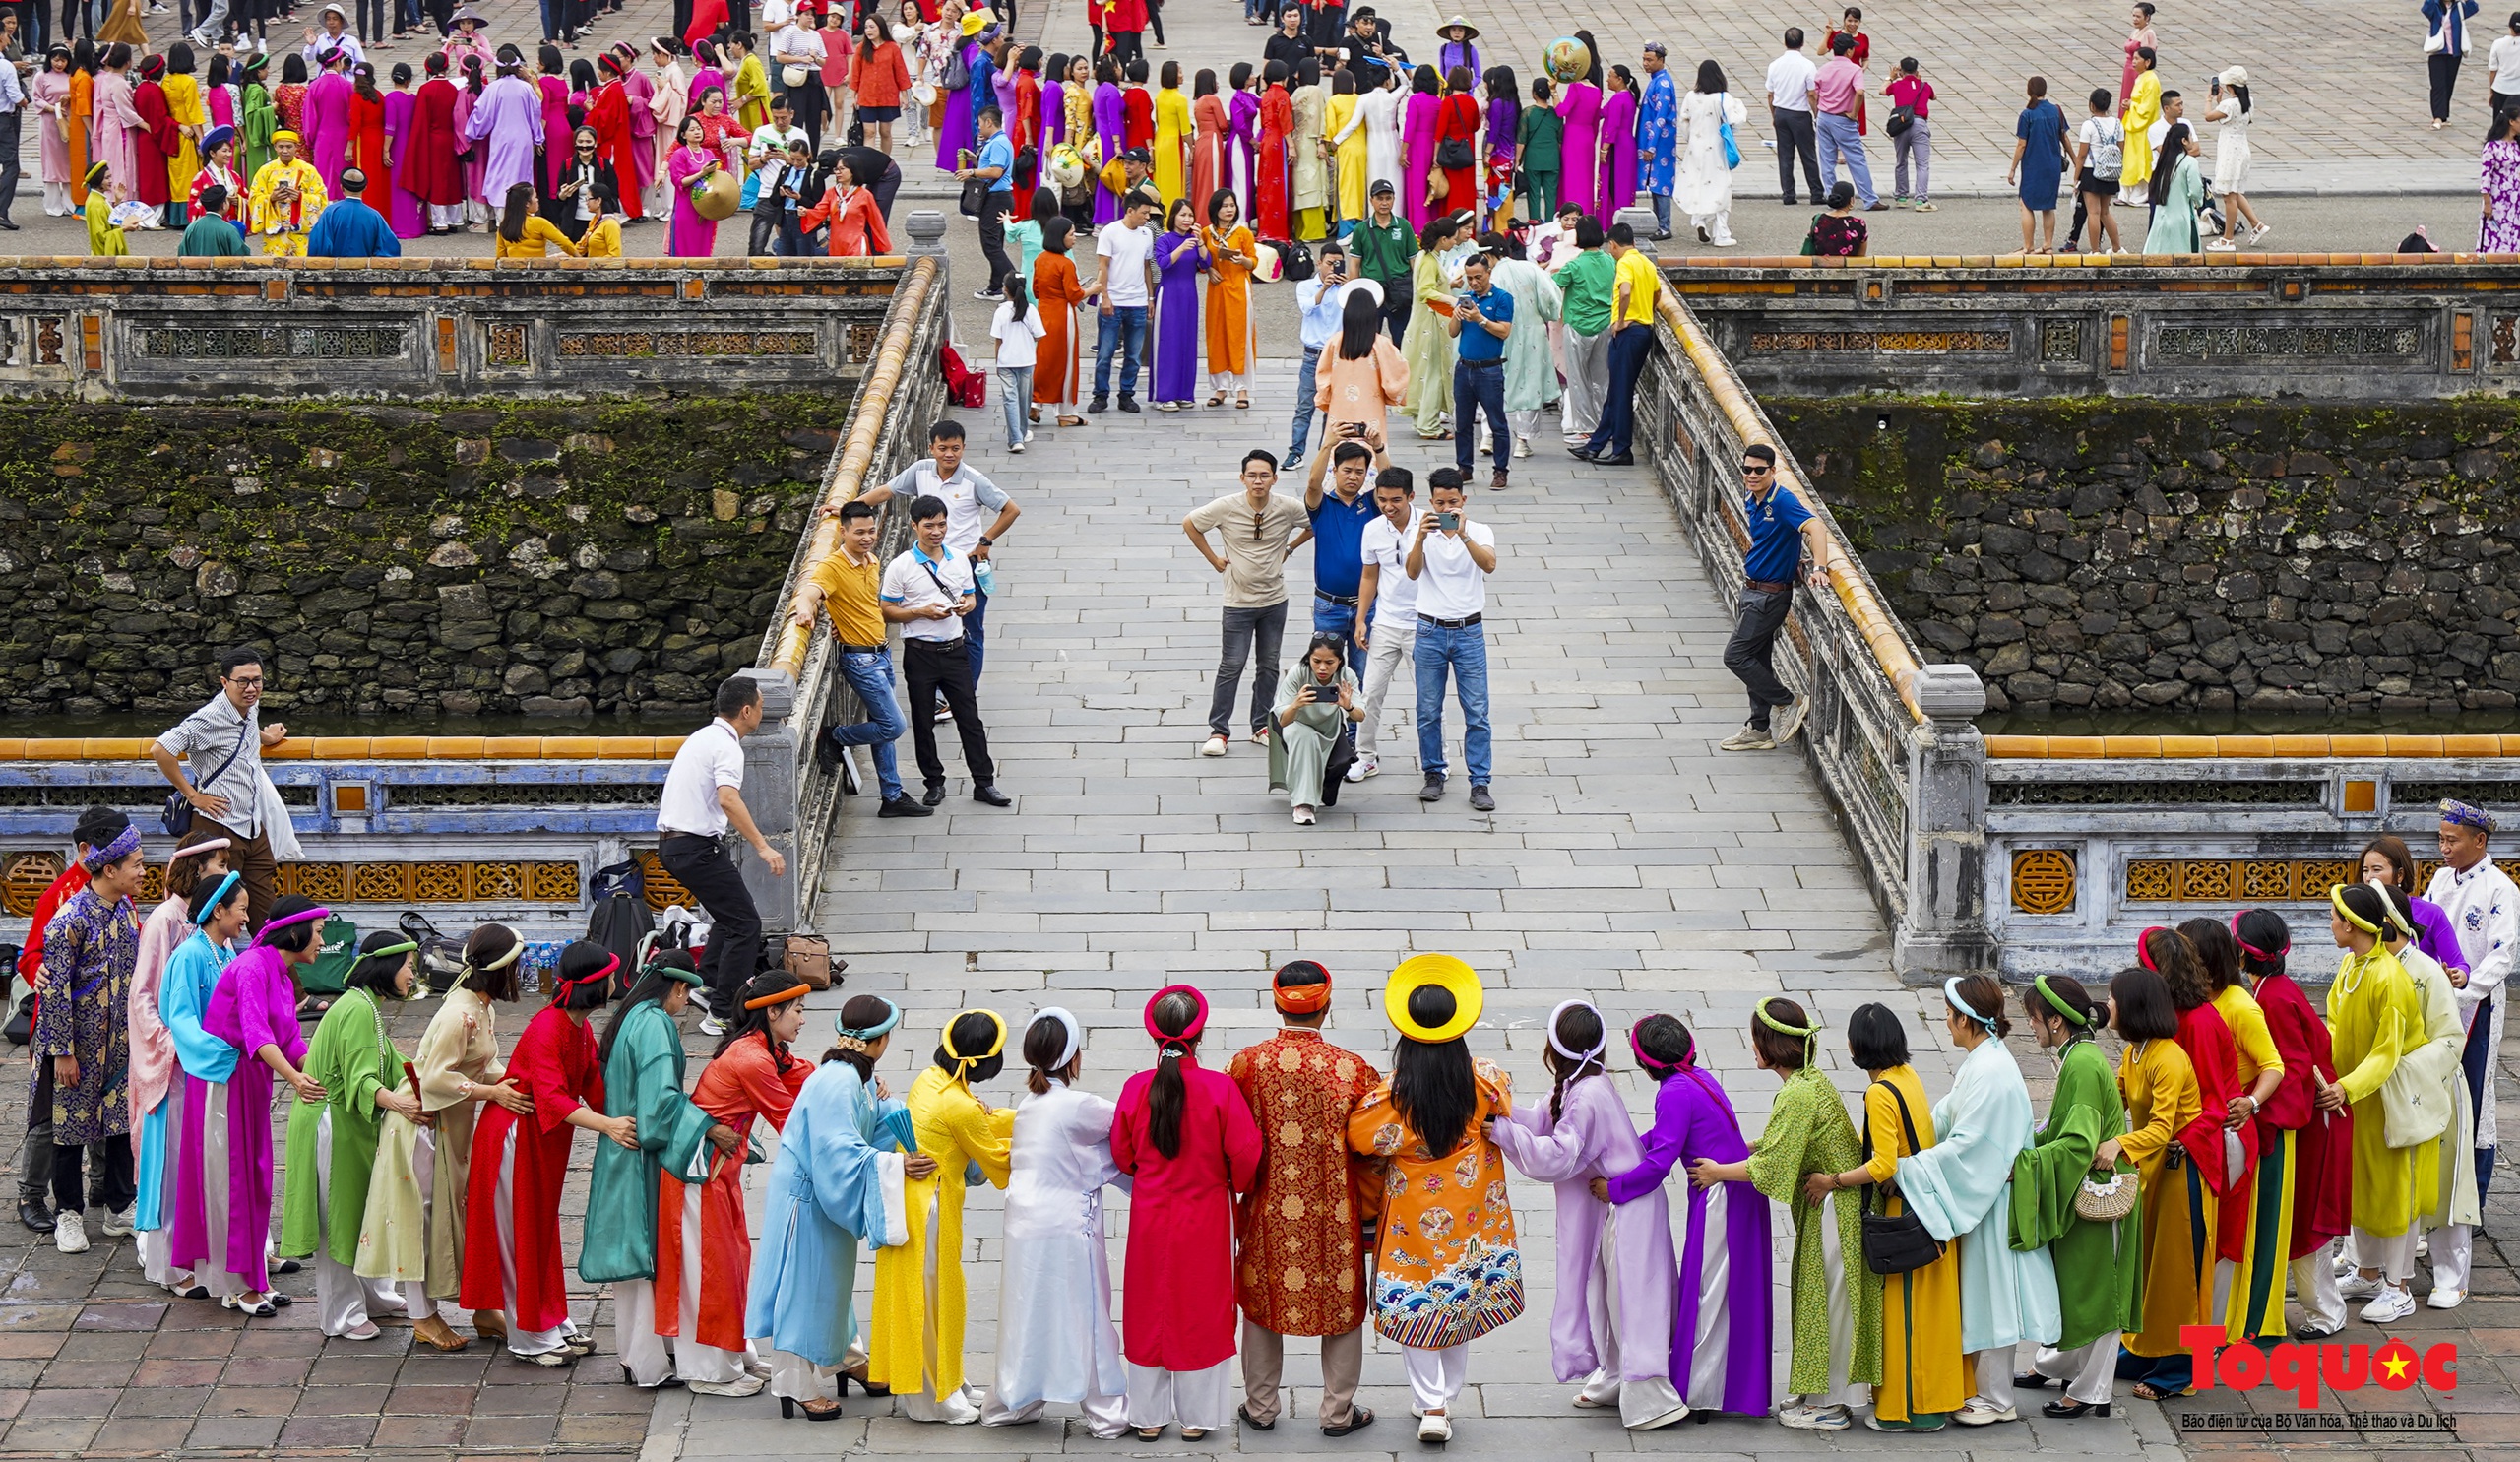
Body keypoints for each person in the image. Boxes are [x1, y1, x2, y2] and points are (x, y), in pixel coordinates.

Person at [1347, 956, 1521, 1444]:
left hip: (1413, 1221)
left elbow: (1361, 1138)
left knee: (1417, 1303)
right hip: (1470, 1217)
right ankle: (1447, 1397)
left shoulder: (1395, 1096)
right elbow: (1505, 1100)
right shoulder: (1485, 1078)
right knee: (1459, 1298)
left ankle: (1432, 1404)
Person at [1490, 1000, 1688, 1430]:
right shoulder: (1580, 1084)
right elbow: (1539, 1119)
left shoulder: (1586, 1096)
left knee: (1634, 1302)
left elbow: (1559, 1155)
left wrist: (1503, 1133)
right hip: (1617, 1206)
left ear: (1553, 1047)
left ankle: (1652, 1397)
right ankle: (1616, 1376)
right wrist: (1499, 1106)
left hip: (1630, 1206)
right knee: (1609, 1298)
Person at [1688, 996, 1872, 1430]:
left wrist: (1717, 1172)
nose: (1750, 1047)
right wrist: (1748, 1148)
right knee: (1816, 1300)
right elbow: (1778, 1145)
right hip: (1827, 1205)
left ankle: (1831, 1403)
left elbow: (1770, 1167)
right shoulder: (1805, 1083)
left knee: (1829, 1303)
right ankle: (1816, 1390)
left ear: (1772, 1046)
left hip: (1836, 1210)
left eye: (1755, 1039)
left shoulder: (1799, 1094)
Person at [1881, 977, 2058, 1426]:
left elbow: (1970, 1146)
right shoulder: (1983, 1061)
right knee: (1984, 1295)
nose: (1945, 1022)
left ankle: (1998, 1399)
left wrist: (1907, 1170)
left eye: (1947, 1014)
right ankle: (1988, 1392)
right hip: (1985, 1197)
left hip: (1992, 1200)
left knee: (1992, 1296)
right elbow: (1944, 1118)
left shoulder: (1991, 1071)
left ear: (1966, 1019)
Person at [581, 952, 753, 1393]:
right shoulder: (656, 1023)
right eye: (686, 995)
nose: (685, 1003)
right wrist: (709, 1127)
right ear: (677, 989)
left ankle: (640, 1356)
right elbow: (660, 1104)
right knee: (644, 1259)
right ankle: (646, 1364)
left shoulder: (630, 1016)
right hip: (640, 1151)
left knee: (635, 1263)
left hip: (621, 1147)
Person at [748, 995, 927, 1420]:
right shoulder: (838, 1081)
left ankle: (845, 1357)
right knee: (802, 1287)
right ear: (879, 1040)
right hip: (807, 1197)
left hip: (821, 1194)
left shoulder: (857, 1075)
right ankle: (794, 1383)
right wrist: (895, 1162)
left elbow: (876, 1119)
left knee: (831, 1283)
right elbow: (838, 1150)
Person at [1219, 964, 1378, 1434]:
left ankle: (1261, 1408)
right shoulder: (1352, 1068)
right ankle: (1337, 1413)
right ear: (1326, 1008)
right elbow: (1373, 1146)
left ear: (1275, 1005)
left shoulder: (1248, 1064)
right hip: (1336, 1212)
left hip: (1269, 1208)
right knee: (1342, 1306)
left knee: (1263, 1302)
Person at [1587, 1014, 1772, 1418]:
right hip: (1737, 1193)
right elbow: (1667, 1134)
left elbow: (1659, 1163)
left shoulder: (1672, 1092)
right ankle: (1718, 1385)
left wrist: (1612, 1189)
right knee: (1722, 1292)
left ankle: (1700, 1392)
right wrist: (1628, 1147)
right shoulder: (1696, 1078)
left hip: (1719, 1195)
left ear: (1646, 1065)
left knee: (1708, 1292)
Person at [357, 923, 531, 1353]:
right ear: (501, 970)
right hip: (422, 1125)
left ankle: (483, 1306)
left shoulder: (481, 1007)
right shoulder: (460, 1013)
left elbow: (476, 1068)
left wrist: (512, 1081)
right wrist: (495, 1092)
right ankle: (422, 1316)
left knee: (462, 1219)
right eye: (517, 964)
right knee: (423, 1220)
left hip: (450, 1124)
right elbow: (436, 1076)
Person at [460, 940, 627, 1366]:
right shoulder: (548, 1027)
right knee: (521, 1233)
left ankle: (550, 1318)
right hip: (513, 1137)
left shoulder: (579, 1026)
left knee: (541, 1231)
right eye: (610, 974)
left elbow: (591, 1083)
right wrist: (608, 1127)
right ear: (596, 983)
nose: (614, 981)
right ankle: (528, 1335)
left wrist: (627, 1118)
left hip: (543, 1139)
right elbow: (553, 1099)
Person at [1802, 1004, 1962, 1430]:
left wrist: (1831, 1180)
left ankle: (1903, 1412)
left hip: (1902, 1214)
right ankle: (1931, 1403)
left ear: (1859, 1047)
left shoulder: (1878, 1092)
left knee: (1904, 1317)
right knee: (1927, 1319)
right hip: (1929, 1205)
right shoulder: (1906, 1078)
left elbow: (1883, 1165)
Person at [982, 1007, 1129, 1435]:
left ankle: (1015, 1399)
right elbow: (1127, 1128)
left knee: (1030, 1314)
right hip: (1067, 1225)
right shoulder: (1080, 1105)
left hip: (1025, 1224)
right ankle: (1107, 1413)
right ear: (1075, 1057)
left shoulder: (1030, 1104)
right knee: (1087, 1315)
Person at [277, 932, 427, 1340]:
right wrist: (401, 1105)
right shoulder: (358, 1010)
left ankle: (375, 1294)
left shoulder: (368, 1007)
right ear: (387, 967)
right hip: (331, 1123)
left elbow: (394, 1063)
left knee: (363, 1211)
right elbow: (361, 1079)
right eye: (409, 966)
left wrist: (435, 1075)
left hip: (351, 1125)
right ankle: (340, 1314)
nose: (413, 975)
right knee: (338, 1219)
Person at [870, 1010, 1015, 1424]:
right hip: (928, 1209)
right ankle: (931, 1399)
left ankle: (948, 1379)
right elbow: (996, 1160)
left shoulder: (932, 1079)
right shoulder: (959, 1105)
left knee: (939, 1295)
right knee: (931, 1299)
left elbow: (979, 1119)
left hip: (917, 1201)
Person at [200, 896, 331, 1314]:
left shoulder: (282, 973)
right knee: (237, 1180)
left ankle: (255, 1274)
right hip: (228, 1080)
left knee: (258, 1178)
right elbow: (258, 1036)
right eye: (320, 932)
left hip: (253, 1079)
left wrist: (321, 1068)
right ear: (297, 931)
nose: (322, 941)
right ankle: (238, 1286)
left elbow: (290, 1039)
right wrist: (294, 1079)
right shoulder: (253, 966)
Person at [2226, 912, 2352, 1337]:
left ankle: (2325, 1313)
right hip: (2299, 1117)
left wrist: (2263, 1115)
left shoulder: (2272, 999)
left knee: (2301, 1219)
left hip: (2301, 1123)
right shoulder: (2273, 989)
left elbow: (2294, 1069)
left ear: (2243, 953)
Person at [2098, 964, 2211, 1395]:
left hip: (2183, 1176)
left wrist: (2118, 1145)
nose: (2107, 1005)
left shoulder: (2169, 1056)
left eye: (2113, 998)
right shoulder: (2136, 1052)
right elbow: (2117, 1096)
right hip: (2154, 1172)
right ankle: (2145, 1349)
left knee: (2178, 1275)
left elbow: (2163, 1128)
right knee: (2146, 1268)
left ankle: (2181, 1370)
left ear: (2133, 1007)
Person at [32, 823, 144, 1255]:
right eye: (135, 865)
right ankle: (69, 1215)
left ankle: (118, 1208)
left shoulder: (126, 911)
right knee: (69, 1131)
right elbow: (55, 989)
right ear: (110, 868)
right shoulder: (69, 920)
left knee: (118, 1126)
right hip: (76, 1047)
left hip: (119, 1044)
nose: (141, 871)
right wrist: (61, 1052)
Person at [656, 675, 788, 1034]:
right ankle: (723, 1012)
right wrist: (763, 846)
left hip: (677, 845)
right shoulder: (727, 746)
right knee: (746, 924)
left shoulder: (703, 737)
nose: (763, 711)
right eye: (761, 706)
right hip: (694, 847)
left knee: (730, 919)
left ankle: (708, 984)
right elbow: (728, 798)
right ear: (746, 710)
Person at [2424, 798, 2515, 1307]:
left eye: (2452, 839)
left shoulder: (2501, 889)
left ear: (2479, 840)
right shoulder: (2439, 882)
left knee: (2475, 1106)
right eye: (2440, 838)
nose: (2444, 847)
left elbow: (2503, 952)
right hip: (2438, 1001)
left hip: (2476, 1006)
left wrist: (2466, 983)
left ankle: (2470, 1207)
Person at [129, 839, 227, 1286]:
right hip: (175, 1062)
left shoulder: (208, 929)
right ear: (197, 869)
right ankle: (167, 1262)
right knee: (172, 1164)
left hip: (202, 1061)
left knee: (203, 1161)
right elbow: (143, 997)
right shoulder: (165, 922)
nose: (225, 872)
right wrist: (174, 1042)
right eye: (219, 865)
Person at [861, 418, 1021, 690]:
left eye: (955, 448)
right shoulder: (921, 471)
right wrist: (849, 507)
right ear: (932, 448)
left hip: (965, 564)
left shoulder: (974, 480)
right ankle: (940, 691)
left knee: (970, 631)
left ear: (963, 448)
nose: (949, 454)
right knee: (933, 629)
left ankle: (964, 693)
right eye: (943, 448)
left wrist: (986, 540)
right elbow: (887, 491)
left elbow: (1011, 509)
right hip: (929, 565)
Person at [153, 864, 249, 1297]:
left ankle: (225, 1258)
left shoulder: (226, 953)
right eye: (241, 910)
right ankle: (187, 1265)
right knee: (195, 1170)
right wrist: (222, 1054)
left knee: (225, 1171)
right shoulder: (189, 956)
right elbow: (181, 1020)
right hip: (202, 1078)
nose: (246, 917)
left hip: (228, 1075)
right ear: (217, 911)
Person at [789, 501, 919, 820]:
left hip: (882, 652)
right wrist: (806, 610)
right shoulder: (832, 567)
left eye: (871, 530)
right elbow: (811, 589)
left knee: (883, 726)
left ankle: (891, 796)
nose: (867, 537)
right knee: (893, 724)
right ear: (843, 531)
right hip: (860, 661)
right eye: (859, 532)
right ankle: (835, 736)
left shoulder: (872, 560)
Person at [880, 494, 1010, 808]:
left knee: (970, 718)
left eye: (941, 524)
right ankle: (934, 782)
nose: (936, 531)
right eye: (929, 525)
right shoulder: (901, 566)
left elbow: (971, 598)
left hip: (954, 650)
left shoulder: (958, 560)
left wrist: (966, 605)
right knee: (923, 721)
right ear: (914, 526)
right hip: (919, 652)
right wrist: (921, 612)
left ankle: (984, 782)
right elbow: (886, 610)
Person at [1184, 450, 1309, 759]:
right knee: (1232, 665)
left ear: (1274, 478)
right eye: (1252, 475)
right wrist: (1214, 559)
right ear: (1242, 478)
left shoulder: (1287, 507)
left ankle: (1261, 726)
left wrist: (1290, 548)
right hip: (1238, 601)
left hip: (1274, 600)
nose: (1258, 481)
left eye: (1264, 475)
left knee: (1269, 665)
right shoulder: (1226, 507)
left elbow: (1316, 523)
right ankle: (1219, 730)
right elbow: (1191, 524)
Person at [151, 650, 286, 930]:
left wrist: (267, 737)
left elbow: (247, 728)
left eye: (257, 681)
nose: (251, 689)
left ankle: (277, 974)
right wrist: (193, 795)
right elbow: (161, 749)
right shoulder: (208, 719)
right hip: (218, 826)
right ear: (225, 682)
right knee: (218, 916)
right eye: (243, 682)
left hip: (252, 825)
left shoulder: (250, 706)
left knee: (269, 918)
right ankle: (220, 972)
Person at [1348, 466, 1418, 783]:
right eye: (1383, 499)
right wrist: (1362, 619)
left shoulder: (1429, 524)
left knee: (1428, 699)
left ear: (1411, 498)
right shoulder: (1373, 529)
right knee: (1370, 694)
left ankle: (1436, 760)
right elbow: (1369, 575)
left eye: (1396, 501)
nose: (1389, 507)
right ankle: (1366, 757)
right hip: (1387, 623)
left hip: (1423, 626)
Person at [1573, 222, 1660, 464]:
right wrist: (1647, 313)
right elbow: (1657, 293)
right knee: (1617, 391)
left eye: (1610, 247)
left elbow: (1624, 291)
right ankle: (1595, 445)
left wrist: (1620, 321)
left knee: (1621, 393)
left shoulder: (1625, 263)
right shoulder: (1646, 262)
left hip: (1629, 333)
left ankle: (1622, 449)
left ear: (1612, 244)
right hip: (1643, 330)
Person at [1268, 633, 1363, 824]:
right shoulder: (1298, 673)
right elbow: (1283, 720)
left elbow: (1360, 715)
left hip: (1330, 730)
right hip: (1296, 724)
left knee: (1341, 765)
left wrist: (1348, 706)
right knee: (1305, 737)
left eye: (1329, 662)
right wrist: (1296, 704)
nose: (1322, 668)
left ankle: (1321, 786)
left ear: (1339, 661)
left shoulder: (1347, 676)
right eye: (1316, 661)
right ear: (1309, 657)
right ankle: (1303, 805)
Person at [1444, 248, 1513, 489]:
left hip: (1489, 370)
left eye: (1478, 277)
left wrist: (1480, 319)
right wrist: (1457, 314)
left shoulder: (1502, 298)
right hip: (1464, 368)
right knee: (1462, 422)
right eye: (1470, 277)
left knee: (1497, 422)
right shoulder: (1466, 298)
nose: (1473, 282)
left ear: (1488, 273)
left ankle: (1500, 470)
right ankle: (1464, 468)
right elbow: (1452, 332)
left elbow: (1504, 331)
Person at [1088, 186, 1158, 413]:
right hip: (1113, 302)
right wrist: (1105, 296)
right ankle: (1100, 395)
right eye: (1144, 213)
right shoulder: (1110, 232)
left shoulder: (1147, 235)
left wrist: (1149, 297)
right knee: (1105, 354)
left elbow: (1147, 267)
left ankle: (1126, 394)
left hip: (1137, 302)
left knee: (1134, 355)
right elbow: (1103, 266)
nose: (1147, 218)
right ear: (1130, 210)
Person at [1314, 285, 1409, 446]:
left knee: (1339, 448)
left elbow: (1322, 379)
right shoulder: (1382, 344)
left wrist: (1327, 398)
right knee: (1372, 446)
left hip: (1340, 408)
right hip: (1371, 409)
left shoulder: (1334, 342)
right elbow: (1396, 381)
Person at [1283, 238, 1347, 464]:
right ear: (1319, 263)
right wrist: (1325, 288)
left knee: (1333, 408)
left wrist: (1348, 288)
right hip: (1313, 355)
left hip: (1339, 356)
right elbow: (1307, 308)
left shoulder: (1346, 288)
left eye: (1338, 264)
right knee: (1305, 405)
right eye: (1329, 263)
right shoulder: (1306, 286)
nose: (1333, 268)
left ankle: (1326, 451)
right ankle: (1296, 451)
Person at [1399, 212, 1459, 438]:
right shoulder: (1429, 260)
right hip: (1430, 322)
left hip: (1428, 319)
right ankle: (1429, 425)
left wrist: (1449, 284)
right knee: (1433, 373)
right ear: (1443, 239)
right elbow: (1425, 291)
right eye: (1453, 238)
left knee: (1425, 372)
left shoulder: (1428, 258)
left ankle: (1423, 420)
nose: (1454, 242)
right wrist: (1452, 300)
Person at [1674, 61, 1744, 245]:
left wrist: (1691, 137)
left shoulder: (1691, 96)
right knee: (1721, 188)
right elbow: (1734, 120)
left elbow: (1684, 121)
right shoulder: (1722, 97)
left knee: (1698, 185)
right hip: (1715, 149)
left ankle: (1700, 220)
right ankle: (1721, 233)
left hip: (1695, 148)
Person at [1148, 196, 1208, 411]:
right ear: (1173, 217)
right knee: (1168, 342)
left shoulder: (1194, 240)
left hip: (1189, 296)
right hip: (1169, 294)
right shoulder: (1165, 240)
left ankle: (1184, 392)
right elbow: (1163, 263)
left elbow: (1205, 263)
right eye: (1182, 214)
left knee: (1187, 342)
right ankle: (1164, 395)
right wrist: (1181, 249)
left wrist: (1200, 242)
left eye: (1190, 215)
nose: (1186, 218)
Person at [1031, 215, 1089, 426]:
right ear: (1060, 237)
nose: (1074, 238)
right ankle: (1065, 412)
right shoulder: (1066, 263)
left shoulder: (1040, 259)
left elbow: (1035, 290)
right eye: (1071, 234)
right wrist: (1094, 289)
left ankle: (1034, 402)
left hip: (1044, 312)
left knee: (1044, 360)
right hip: (1063, 316)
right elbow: (1074, 295)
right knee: (1067, 363)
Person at [1201, 187, 1257, 406]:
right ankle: (1220, 387)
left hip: (1239, 290)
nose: (1229, 209)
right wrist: (1207, 269)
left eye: (1232, 205)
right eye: (1224, 205)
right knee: (1217, 336)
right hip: (1217, 290)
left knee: (1240, 337)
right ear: (1215, 208)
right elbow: (1202, 259)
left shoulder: (1243, 233)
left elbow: (1254, 263)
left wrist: (1241, 260)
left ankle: (1242, 389)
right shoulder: (1207, 233)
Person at [1813, 32, 1875, 209]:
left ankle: (1831, 196)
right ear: (1849, 51)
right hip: (1843, 118)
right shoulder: (1855, 69)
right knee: (1856, 159)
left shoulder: (1823, 69)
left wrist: (1818, 111)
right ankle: (1869, 198)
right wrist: (1854, 114)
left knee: (1826, 159)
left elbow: (1813, 93)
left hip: (1824, 117)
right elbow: (1860, 92)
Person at [2203, 68, 2263, 249]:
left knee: (2228, 197)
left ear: (2230, 86)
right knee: (2234, 192)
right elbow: (2230, 118)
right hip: (2242, 149)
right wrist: (2221, 102)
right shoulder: (2248, 102)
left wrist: (2209, 100)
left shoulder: (2229, 105)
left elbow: (2208, 116)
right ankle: (2256, 224)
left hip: (2230, 152)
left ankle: (2227, 239)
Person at [1351, 178, 1415, 343]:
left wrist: (1417, 289)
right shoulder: (1361, 230)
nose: (1384, 203)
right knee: (1368, 339)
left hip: (1399, 290)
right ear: (1371, 200)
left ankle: (1399, 368)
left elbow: (1414, 261)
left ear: (1394, 199)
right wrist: (1354, 293)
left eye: (1388, 198)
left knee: (1402, 339)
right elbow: (1355, 263)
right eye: (1380, 198)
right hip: (1371, 290)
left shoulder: (1404, 226)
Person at [985, 273, 1044, 451]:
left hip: (1006, 362)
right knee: (1024, 399)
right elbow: (1039, 335)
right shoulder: (1031, 310)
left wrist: (997, 362)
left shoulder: (1001, 311)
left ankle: (1015, 439)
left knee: (1009, 399)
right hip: (1026, 360)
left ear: (1005, 289)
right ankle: (1022, 432)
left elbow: (998, 340)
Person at [245, 127, 328, 252]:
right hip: (275, 234)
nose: (285, 151)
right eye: (281, 146)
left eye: (289, 146)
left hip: (300, 232)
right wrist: (271, 198)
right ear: (275, 147)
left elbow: (322, 198)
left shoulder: (308, 170)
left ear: (296, 147)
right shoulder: (265, 171)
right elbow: (253, 198)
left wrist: (301, 198)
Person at [2007, 76, 2064, 254]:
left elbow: (2021, 144)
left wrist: (2013, 168)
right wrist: (2073, 156)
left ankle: (2028, 245)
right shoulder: (2056, 111)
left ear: (2028, 90)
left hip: (2034, 165)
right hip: (2053, 164)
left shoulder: (2027, 114)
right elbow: (2063, 136)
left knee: (2026, 204)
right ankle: (2047, 244)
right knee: (2048, 206)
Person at [1765, 28, 1821, 206]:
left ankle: (1788, 193)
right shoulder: (1808, 65)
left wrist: (1774, 115)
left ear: (1785, 42)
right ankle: (1816, 193)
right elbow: (1812, 93)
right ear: (1802, 43)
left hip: (1781, 112)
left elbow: (1770, 94)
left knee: (1785, 155)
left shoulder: (1774, 65)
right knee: (1808, 155)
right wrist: (1816, 114)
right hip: (1800, 114)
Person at [306, 164, 400, 253]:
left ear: (341, 187)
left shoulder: (330, 212)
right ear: (365, 188)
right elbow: (390, 248)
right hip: (365, 268)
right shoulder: (375, 216)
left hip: (335, 268)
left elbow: (318, 244)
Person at [2073, 90, 2123, 254]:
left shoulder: (2089, 125)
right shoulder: (2118, 124)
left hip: (2091, 171)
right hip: (2110, 172)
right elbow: (2122, 149)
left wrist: (2076, 177)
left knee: (2093, 212)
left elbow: (2081, 155)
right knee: (2105, 212)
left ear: (2091, 105)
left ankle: (2095, 250)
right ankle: (2117, 247)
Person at [2140, 120, 2203, 253]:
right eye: (2190, 136)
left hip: (2160, 218)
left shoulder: (2163, 162)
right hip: (2182, 218)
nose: (2192, 139)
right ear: (2184, 141)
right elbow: (2196, 191)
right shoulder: (2189, 162)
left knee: (2158, 252)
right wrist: (2198, 202)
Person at [1881, 56, 1932, 210]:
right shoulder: (1925, 86)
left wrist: (1890, 77)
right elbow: (1934, 97)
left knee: (1901, 161)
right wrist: (1919, 80)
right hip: (1920, 124)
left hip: (1902, 124)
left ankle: (1902, 197)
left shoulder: (1897, 85)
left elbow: (1882, 91)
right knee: (1922, 164)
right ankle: (1921, 200)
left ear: (1901, 71)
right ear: (1917, 70)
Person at [2429, 0, 2483, 128]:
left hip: (2454, 53)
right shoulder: (2435, 6)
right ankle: (2437, 117)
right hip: (2438, 51)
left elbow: (2473, 7)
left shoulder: (2458, 8)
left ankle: (2443, 116)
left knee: (2449, 83)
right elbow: (2426, 8)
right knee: (2438, 84)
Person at [493, 177, 577, 254]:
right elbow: (565, 244)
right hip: (536, 268)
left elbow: (501, 256)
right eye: (535, 197)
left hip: (512, 268)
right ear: (526, 203)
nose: (537, 200)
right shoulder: (539, 222)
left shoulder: (504, 226)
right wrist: (579, 259)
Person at [2119, 47, 2159, 195]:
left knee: (2140, 160)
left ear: (2147, 62)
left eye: (2137, 59)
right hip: (2134, 123)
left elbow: (2147, 108)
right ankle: (2128, 193)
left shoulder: (2151, 80)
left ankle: (2140, 194)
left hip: (2143, 126)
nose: (2134, 62)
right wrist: (2130, 104)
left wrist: (2132, 106)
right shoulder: (2142, 77)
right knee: (2131, 160)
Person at [179, 182, 246, 252]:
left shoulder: (191, 228)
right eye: (227, 200)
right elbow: (242, 254)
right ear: (224, 205)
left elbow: (182, 252)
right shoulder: (230, 230)